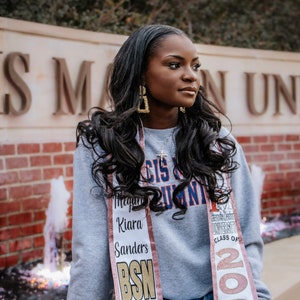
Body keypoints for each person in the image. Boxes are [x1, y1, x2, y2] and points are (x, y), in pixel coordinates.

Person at [67, 24, 271, 300]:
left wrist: (254, 291)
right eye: (174, 65)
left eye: (195, 66)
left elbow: (245, 232)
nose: (191, 76)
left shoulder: (217, 143)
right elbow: (91, 247)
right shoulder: (103, 145)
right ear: (140, 73)